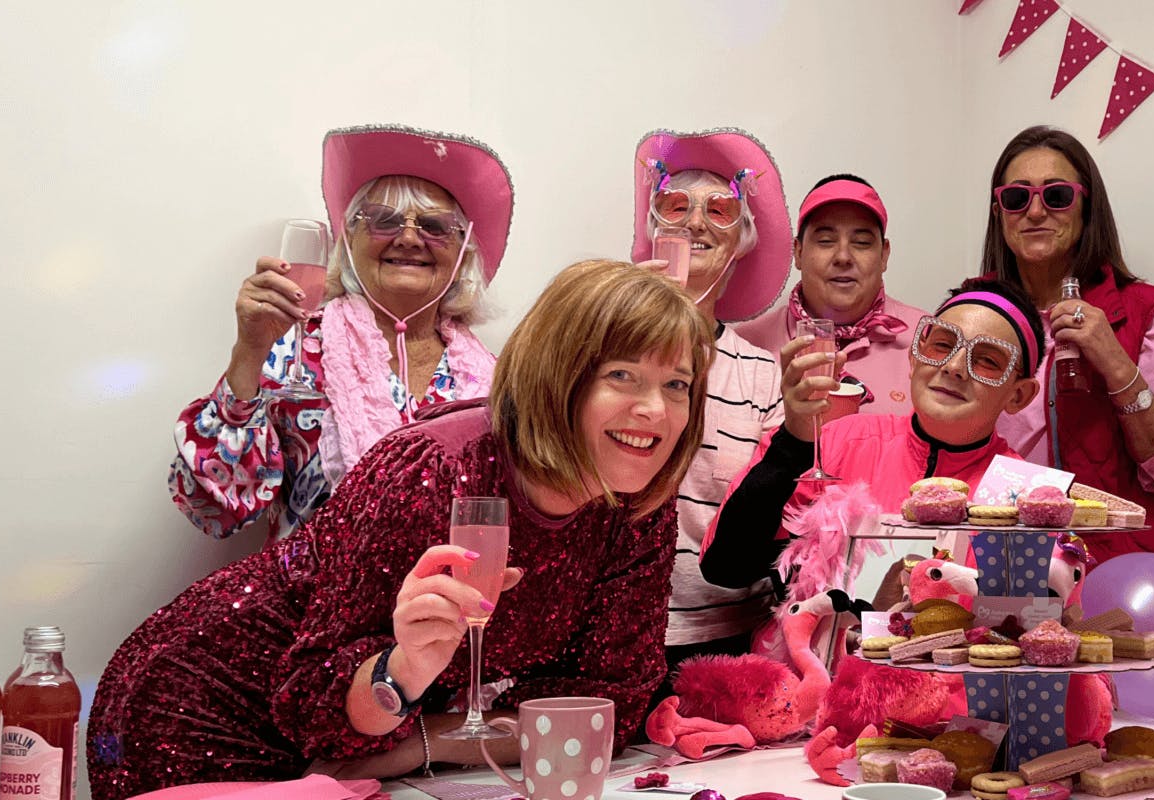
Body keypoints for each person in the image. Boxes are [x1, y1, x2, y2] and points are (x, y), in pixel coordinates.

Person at [86, 260, 716, 798]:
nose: (655, 411)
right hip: (204, 708)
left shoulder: (635, 506)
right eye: (622, 376)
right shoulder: (435, 468)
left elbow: (607, 704)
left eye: (677, 384)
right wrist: (409, 677)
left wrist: (419, 743)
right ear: (559, 376)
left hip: (373, 743)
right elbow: (314, 701)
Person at [169, 125, 513, 543]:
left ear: (462, 253)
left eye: (435, 226)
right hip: (307, 604)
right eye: (383, 221)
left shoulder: (496, 381)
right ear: (348, 239)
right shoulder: (296, 348)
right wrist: (249, 350)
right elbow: (212, 509)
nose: (408, 237)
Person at [701, 278, 1043, 590]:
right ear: (914, 358)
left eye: (987, 361)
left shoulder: (1024, 496)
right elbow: (727, 568)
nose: (954, 367)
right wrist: (793, 441)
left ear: (1018, 396)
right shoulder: (836, 443)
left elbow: (1012, 630)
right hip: (809, 658)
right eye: (942, 345)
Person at [980, 125, 1154, 570]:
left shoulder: (1145, 312)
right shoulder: (976, 313)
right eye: (1017, 197)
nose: (1035, 211)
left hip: (1128, 568)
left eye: (1057, 196)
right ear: (999, 212)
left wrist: (1116, 363)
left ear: (1087, 207)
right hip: (1009, 559)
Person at [630, 128, 788, 677]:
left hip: (727, 637)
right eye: (676, 206)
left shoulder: (766, 376)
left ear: (739, 241)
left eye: (719, 210)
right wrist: (622, 324)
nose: (695, 222)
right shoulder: (607, 351)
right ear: (653, 228)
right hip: (611, 629)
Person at [735, 174, 927, 415]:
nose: (843, 257)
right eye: (826, 241)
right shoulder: (745, 347)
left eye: (862, 242)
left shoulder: (929, 342)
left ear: (884, 255)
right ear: (798, 252)